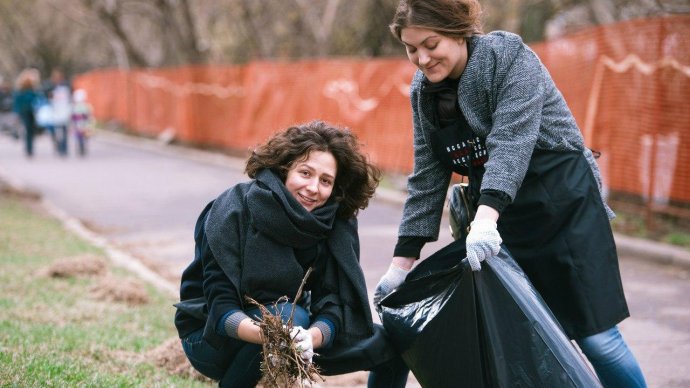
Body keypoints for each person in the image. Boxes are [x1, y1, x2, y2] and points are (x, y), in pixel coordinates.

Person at [373, 1, 647, 387]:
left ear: (457, 31)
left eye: (430, 44)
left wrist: (484, 221)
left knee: (597, 339)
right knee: (529, 338)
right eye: (411, 48)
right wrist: (401, 264)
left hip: (560, 204)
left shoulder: (508, 57)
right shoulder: (424, 92)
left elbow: (512, 142)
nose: (421, 58)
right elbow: (428, 174)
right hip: (503, 219)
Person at [174, 121, 409, 388]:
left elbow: (333, 306)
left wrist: (309, 338)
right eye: (305, 173)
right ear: (284, 169)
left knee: (392, 345)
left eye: (325, 181)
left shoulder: (333, 222)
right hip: (214, 336)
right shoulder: (234, 209)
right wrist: (277, 335)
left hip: (298, 332)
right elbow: (221, 310)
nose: (313, 188)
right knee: (288, 314)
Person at [12, 68, 41, 158]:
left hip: (31, 112)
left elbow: (38, 100)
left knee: (31, 130)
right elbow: (17, 102)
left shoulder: (33, 90)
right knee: (28, 130)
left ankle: (30, 148)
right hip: (25, 112)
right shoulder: (21, 91)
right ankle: (29, 149)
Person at [70, 89, 94, 156]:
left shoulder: (86, 106)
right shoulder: (75, 106)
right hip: (78, 124)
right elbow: (72, 116)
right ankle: (81, 149)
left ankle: (82, 149)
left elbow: (89, 115)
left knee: (84, 136)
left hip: (84, 124)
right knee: (80, 137)